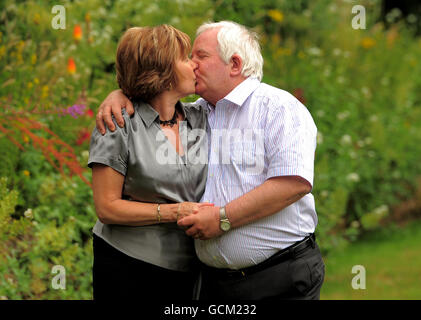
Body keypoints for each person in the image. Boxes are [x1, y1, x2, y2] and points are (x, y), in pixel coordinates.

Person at [96, 21, 325, 300]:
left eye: (200, 56)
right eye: (188, 57)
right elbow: (152, 95)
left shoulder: (277, 108)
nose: (192, 64)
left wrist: (222, 219)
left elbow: (293, 184)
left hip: (278, 277)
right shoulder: (198, 112)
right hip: (209, 284)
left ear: (235, 64)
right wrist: (120, 94)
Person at [88, 25, 213, 300]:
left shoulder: (202, 117)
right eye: (185, 58)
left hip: (192, 269)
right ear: (162, 73)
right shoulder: (117, 124)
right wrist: (173, 212)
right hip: (128, 265)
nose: (194, 65)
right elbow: (106, 208)